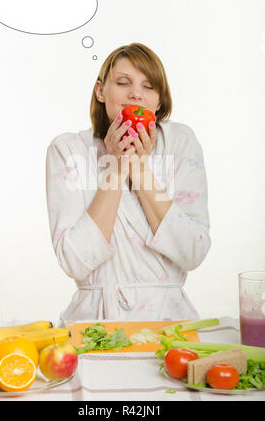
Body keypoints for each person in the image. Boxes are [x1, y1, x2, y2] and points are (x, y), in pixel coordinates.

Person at [46, 42, 211, 323]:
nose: (136, 94)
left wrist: (138, 165)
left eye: (149, 86)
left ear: (159, 101)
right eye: (123, 83)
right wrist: (117, 166)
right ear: (101, 91)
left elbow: (192, 251)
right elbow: (74, 260)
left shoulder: (181, 143)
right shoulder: (68, 150)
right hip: (93, 324)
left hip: (168, 322)